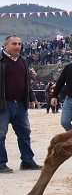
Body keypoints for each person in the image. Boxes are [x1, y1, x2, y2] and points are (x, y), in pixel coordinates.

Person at [0, 35, 42, 173]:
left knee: (24, 133)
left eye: (19, 44)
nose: (17, 46)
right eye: (14, 44)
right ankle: (1, 164)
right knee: (1, 135)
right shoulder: (0, 60)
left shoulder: (23, 60)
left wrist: (33, 97)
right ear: (5, 45)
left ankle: (27, 161)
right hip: (3, 104)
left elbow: (26, 83)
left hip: (21, 105)